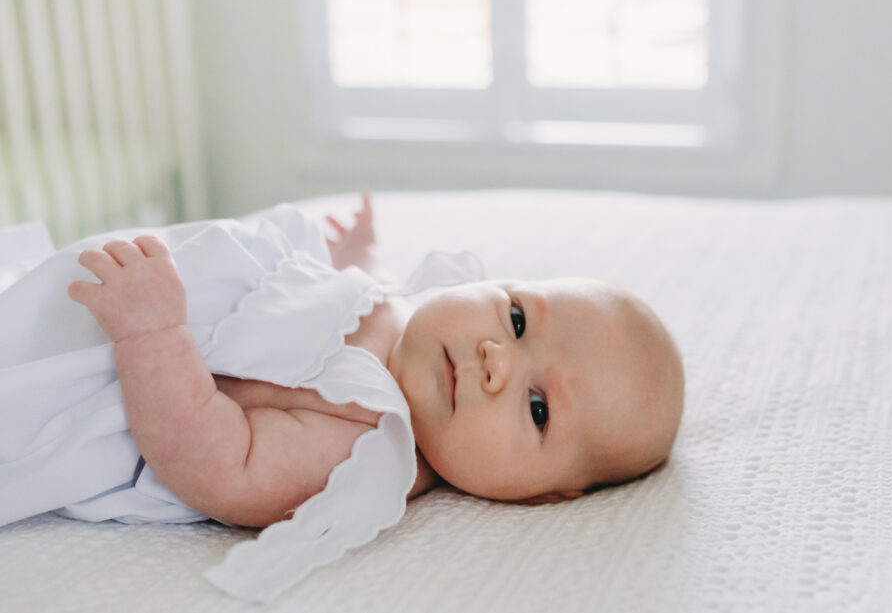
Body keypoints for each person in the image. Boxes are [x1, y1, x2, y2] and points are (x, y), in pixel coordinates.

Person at [0, 194, 684, 600]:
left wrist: (152, 331)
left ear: (539, 494)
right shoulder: (415, 322)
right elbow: (364, 298)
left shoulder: (367, 440)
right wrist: (361, 254)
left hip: (95, 369)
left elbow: (219, 461)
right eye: (516, 318)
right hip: (97, 287)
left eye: (537, 408)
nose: (496, 359)